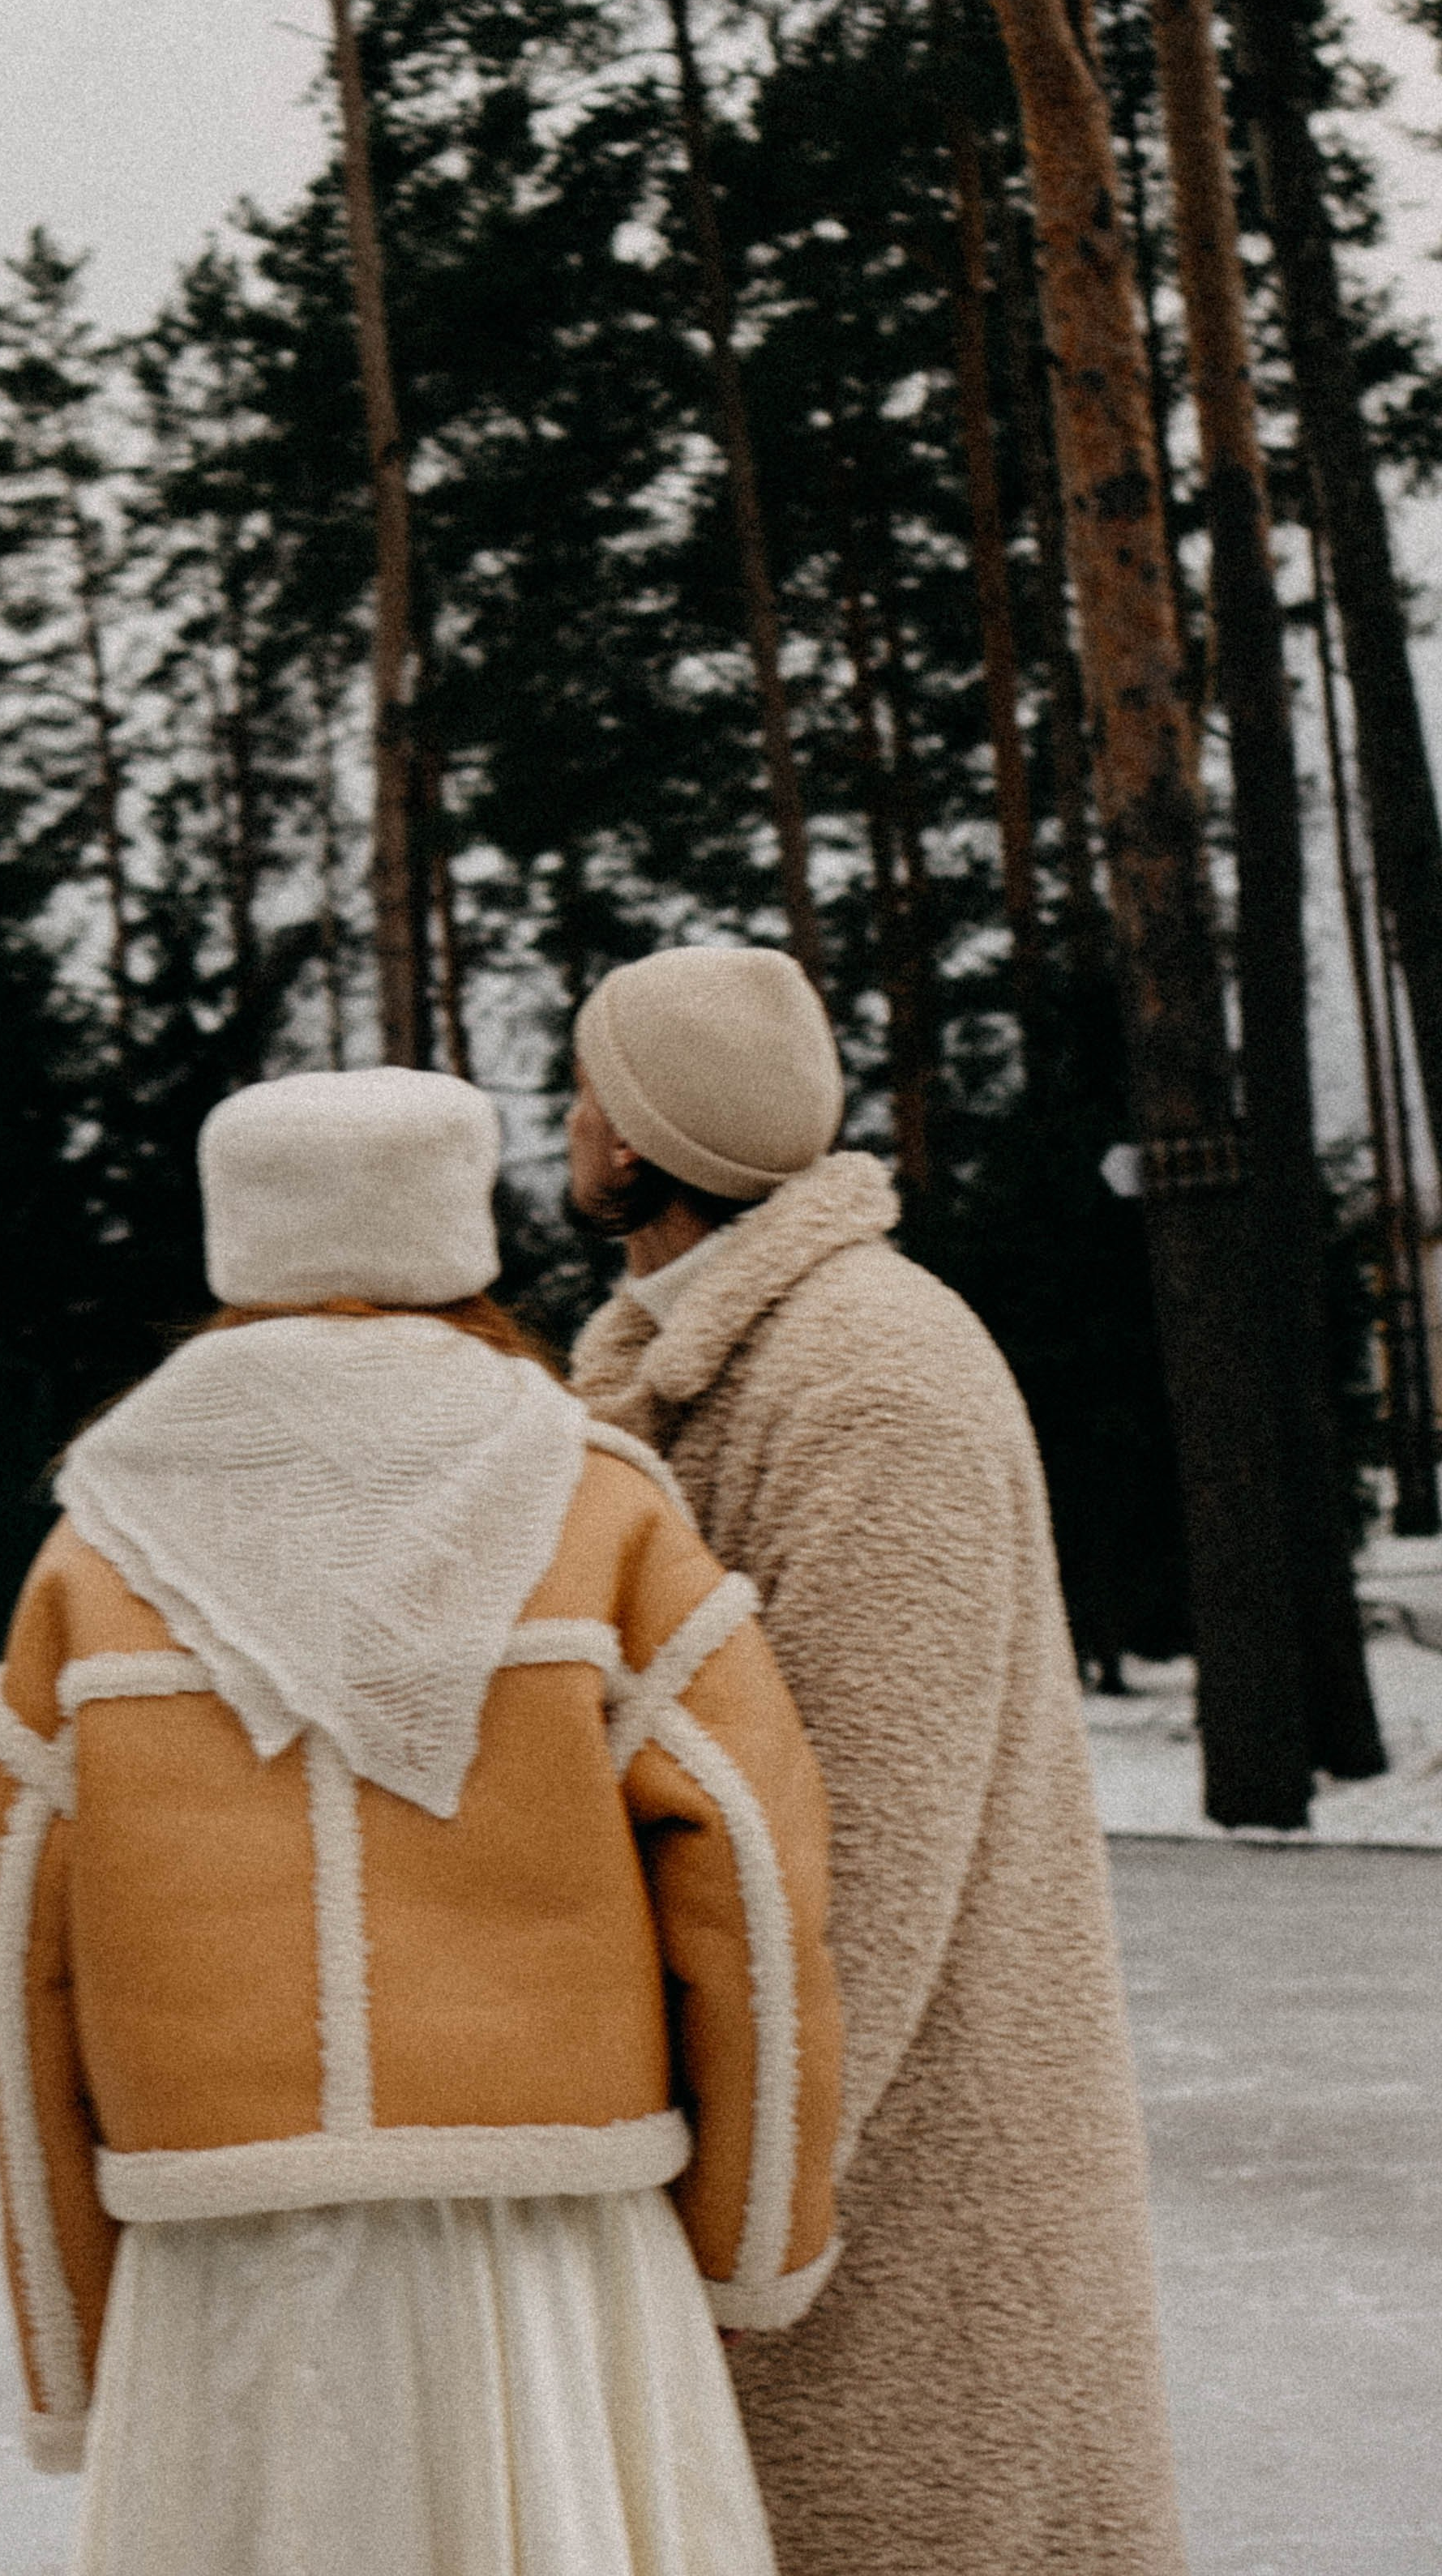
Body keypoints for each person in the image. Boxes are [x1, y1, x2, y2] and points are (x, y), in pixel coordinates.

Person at [0, 1063, 841, 2576]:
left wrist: (73, 2341)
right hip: (554, 2252)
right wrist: (752, 2233)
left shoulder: (89, 1543)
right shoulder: (605, 1505)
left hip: (222, 2260)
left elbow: (23, 1980)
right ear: (466, 1227)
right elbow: (753, 1889)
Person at [567, 946, 1188, 2576]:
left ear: (632, 1139)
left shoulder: (870, 1376)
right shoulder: (704, 1355)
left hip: (911, 2209)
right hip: (804, 2193)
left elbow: (865, 1856)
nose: (564, 1122)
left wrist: (741, 2210)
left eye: (585, 1088)